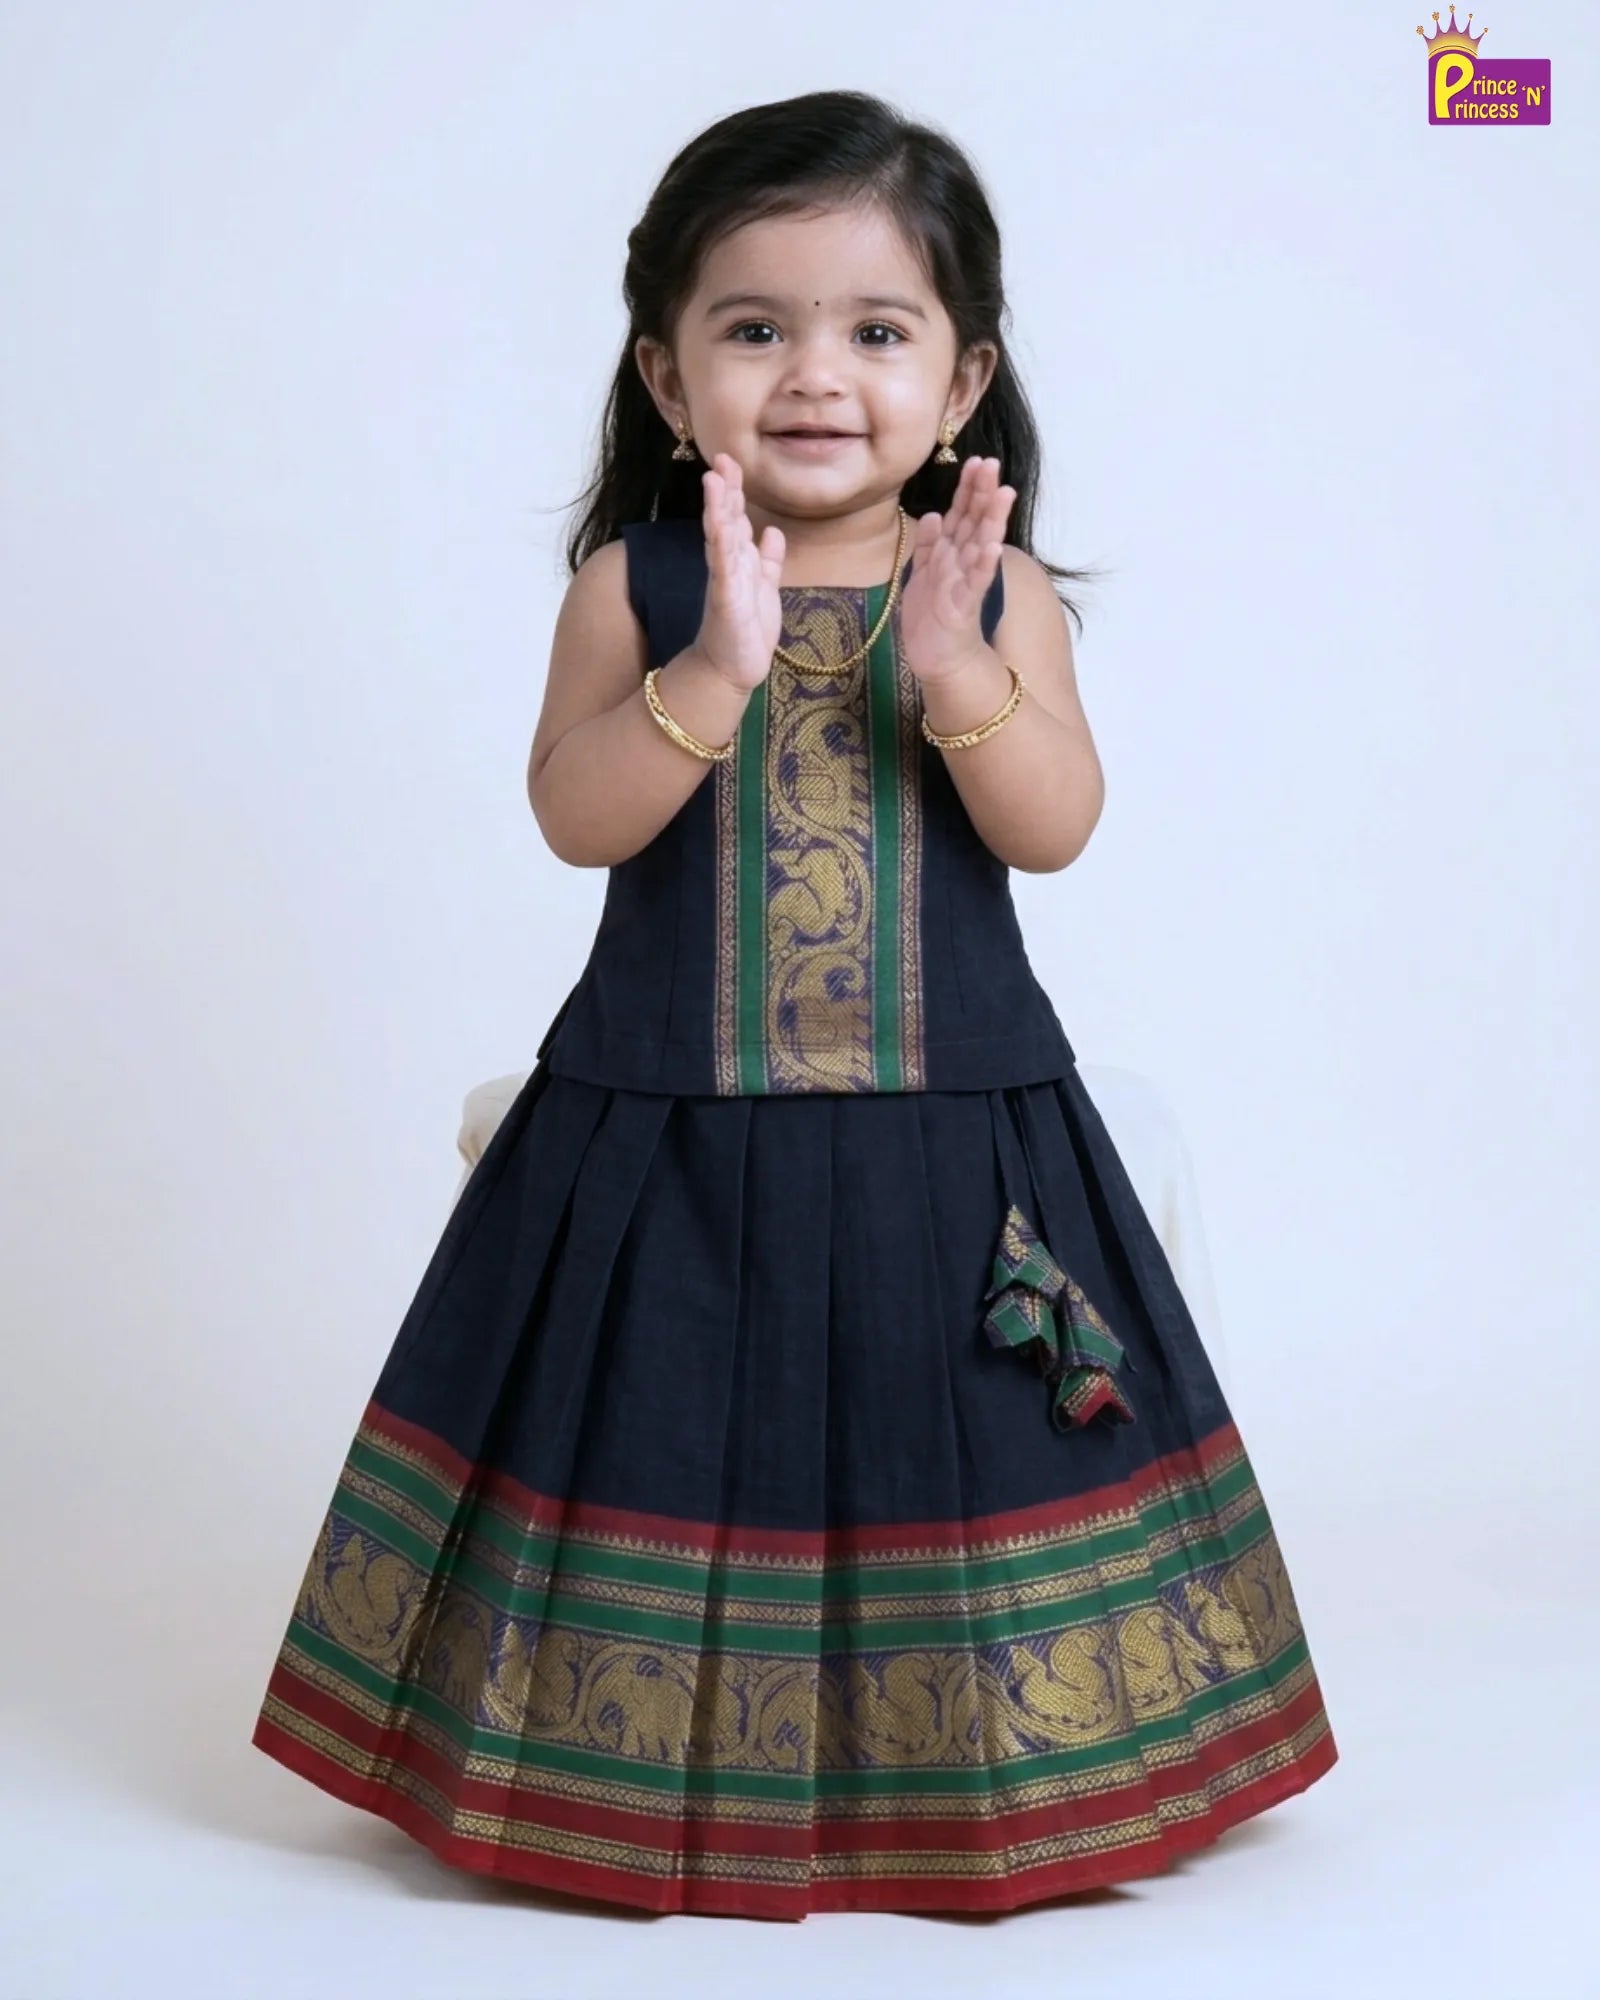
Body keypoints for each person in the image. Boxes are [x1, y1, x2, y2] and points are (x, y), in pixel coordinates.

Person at [250, 87, 1338, 1922]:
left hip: (951, 1137)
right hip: (662, 1135)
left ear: (962, 378)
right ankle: (620, 1783)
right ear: (668, 381)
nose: (817, 374)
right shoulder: (639, 585)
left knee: (952, 1452)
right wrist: (711, 670)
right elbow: (574, 816)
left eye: (877, 332)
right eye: (755, 328)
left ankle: (951, 1788)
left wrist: (958, 667)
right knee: (665, 1434)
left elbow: (1056, 828)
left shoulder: (994, 594)